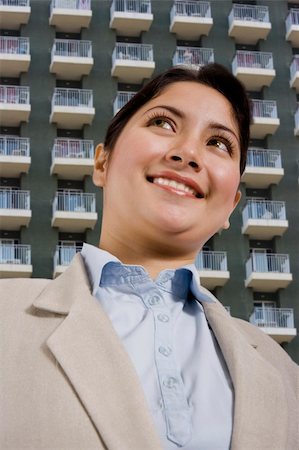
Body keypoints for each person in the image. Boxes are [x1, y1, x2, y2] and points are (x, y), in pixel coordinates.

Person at [0, 64, 298, 450]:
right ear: (102, 162)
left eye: (219, 144)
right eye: (163, 123)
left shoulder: (283, 372)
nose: (189, 153)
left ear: (231, 207)